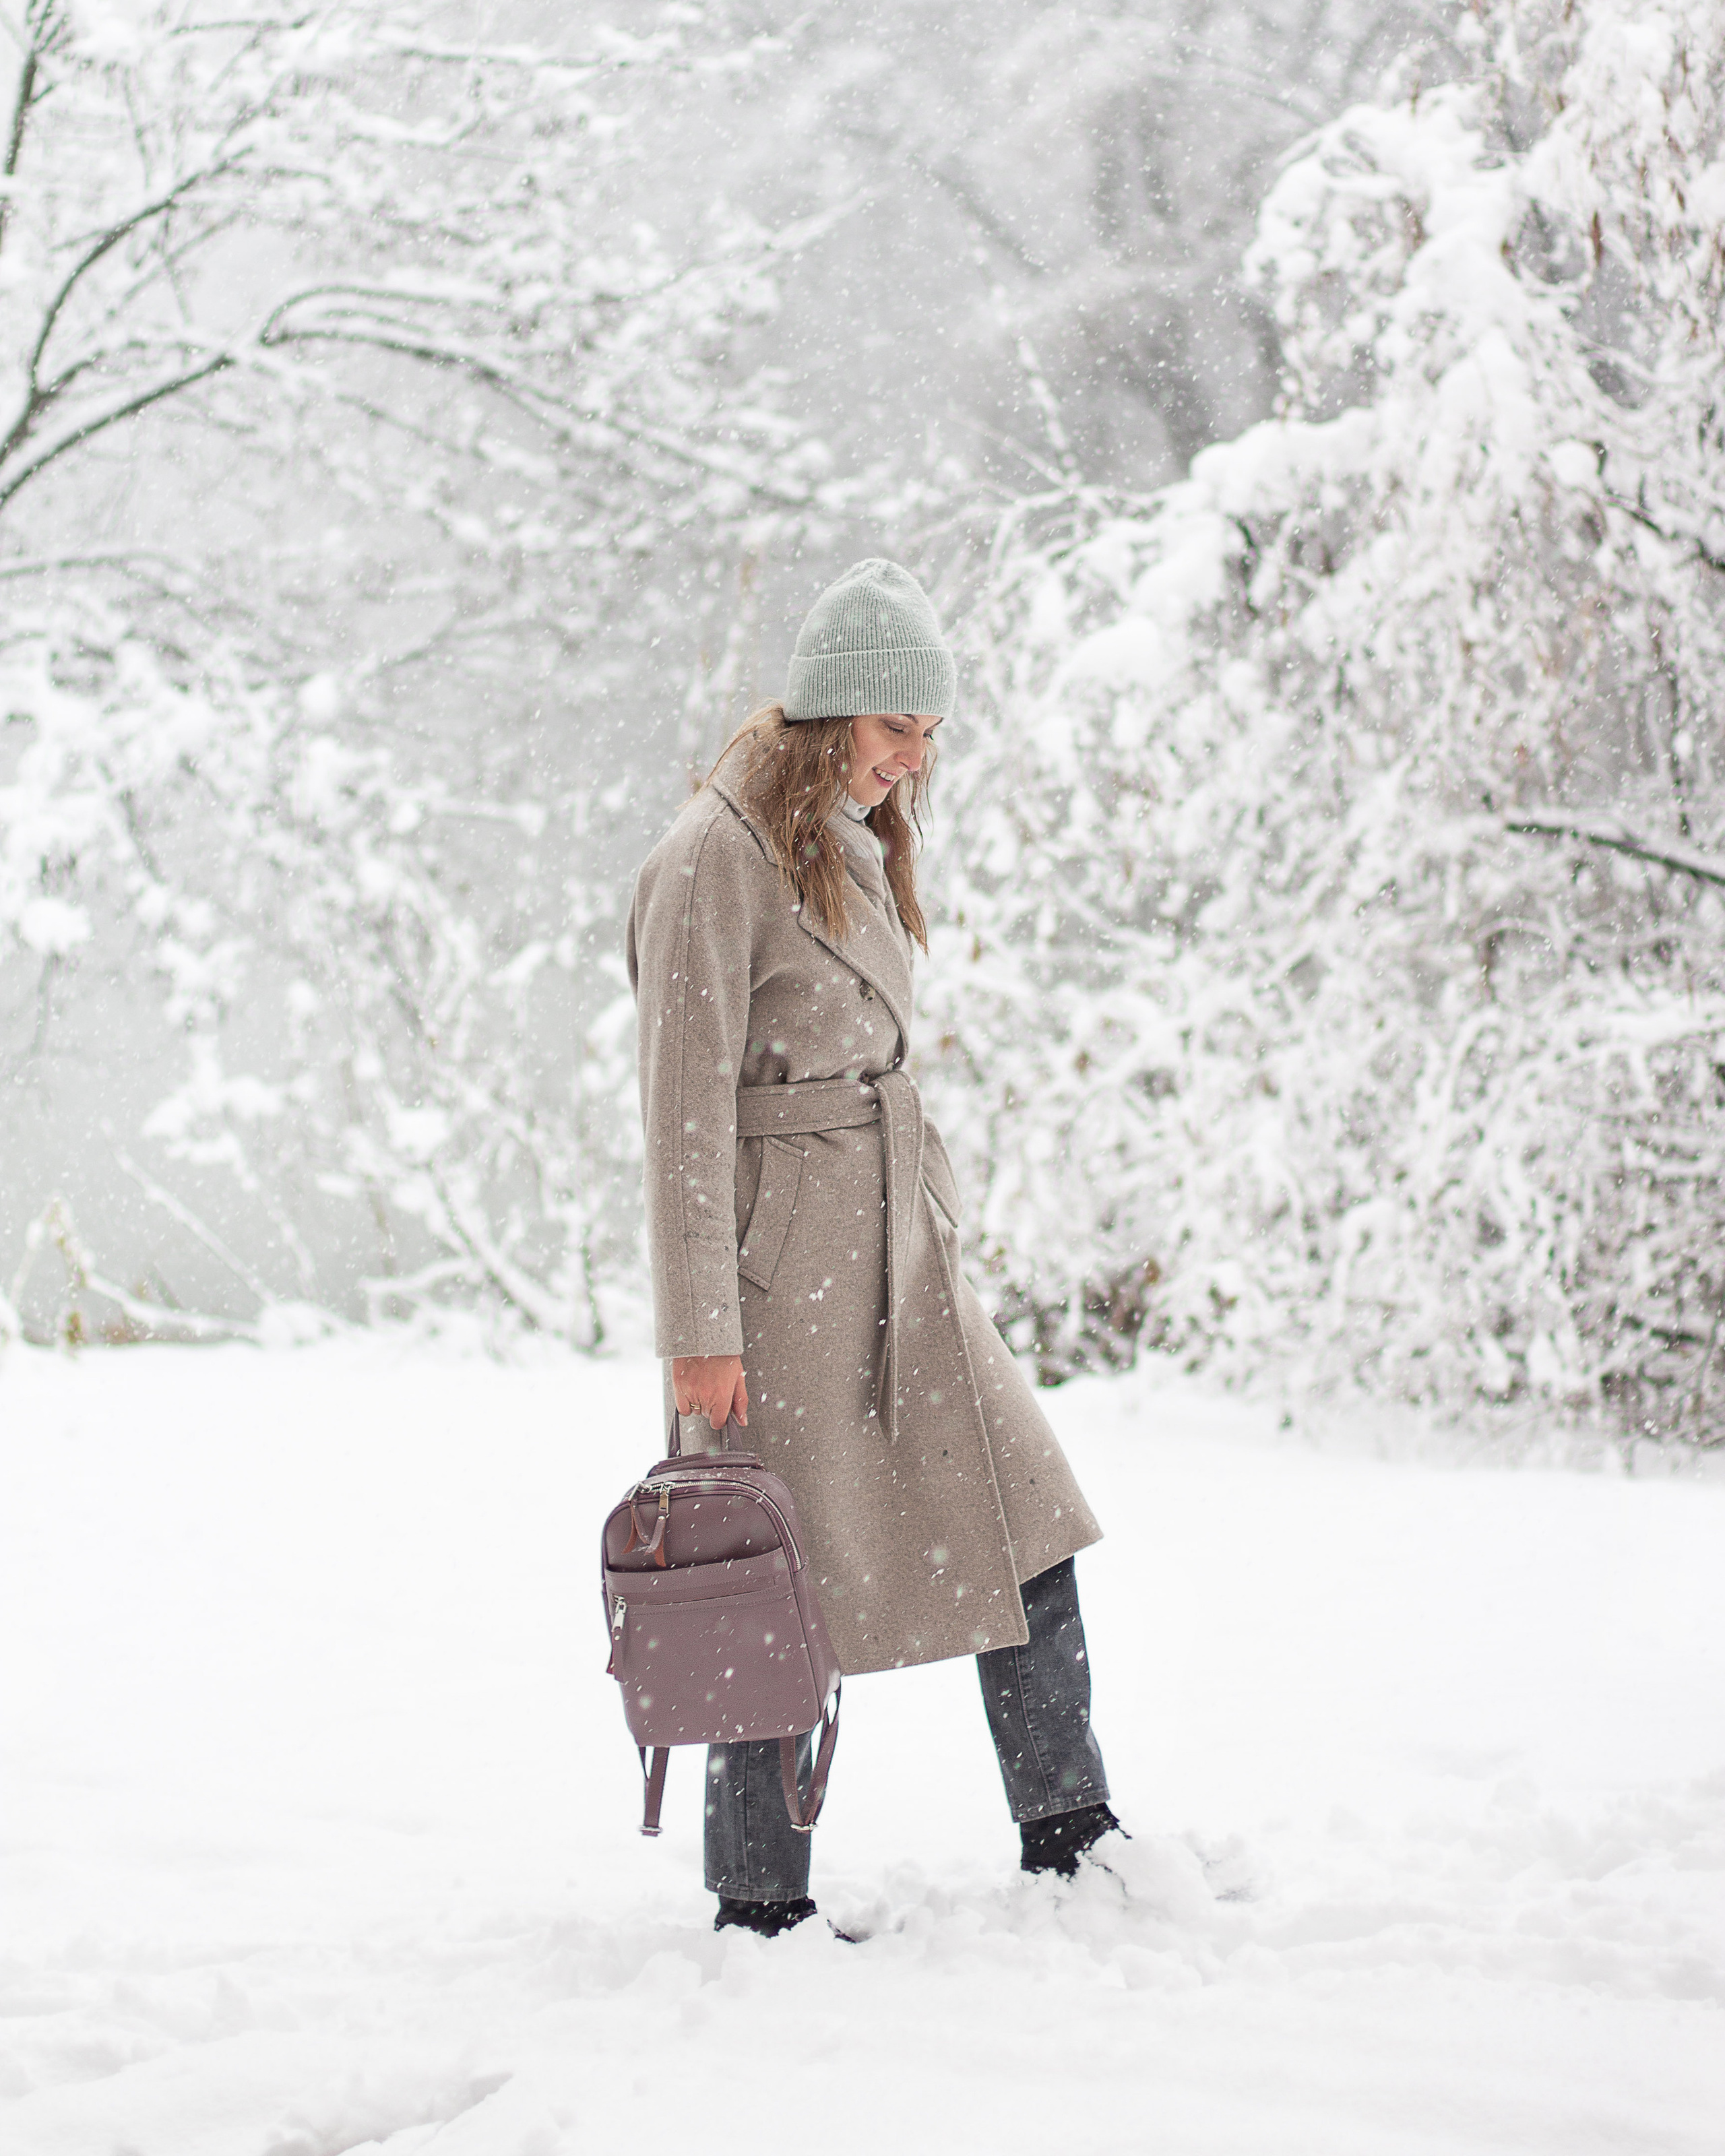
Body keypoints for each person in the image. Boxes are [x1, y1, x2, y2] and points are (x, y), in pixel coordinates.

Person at [625, 558, 1121, 1936]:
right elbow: (678, 1115)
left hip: (900, 1255)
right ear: (828, 717)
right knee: (770, 1579)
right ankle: (756, 1900)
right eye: (897, 727)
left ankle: (1072, 1839)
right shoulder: (711, 859)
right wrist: (699, 1335)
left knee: (1028, 1517)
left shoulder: (846, 833)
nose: (916, 758)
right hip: (780, 1283)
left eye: (930, 732)